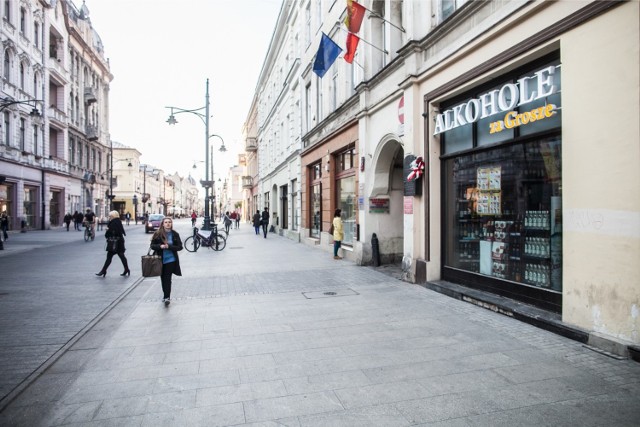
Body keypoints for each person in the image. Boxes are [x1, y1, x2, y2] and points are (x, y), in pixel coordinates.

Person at [150, 217, 183, 306]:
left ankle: (167, 297)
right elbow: (152, 245)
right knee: (162, 278)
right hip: (160, 260)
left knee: (167, 278)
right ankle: (165, 295)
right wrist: (160, 246)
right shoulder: (158, 234)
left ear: (171, 224)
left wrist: (169, 247)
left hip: (171, 260)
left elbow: (180, 247)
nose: (168, 224)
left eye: (169, 222)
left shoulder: (175, 234)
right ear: (163, 224)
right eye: (166, 222)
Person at [95, 210, 130, 277]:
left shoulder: (113, 223)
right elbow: (120, 231)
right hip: (119, 242)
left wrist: (108, 230)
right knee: (121, 257)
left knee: (110, 257)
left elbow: (113, 232)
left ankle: (103, 271)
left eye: (110, 216)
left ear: (113, 216)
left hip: (114, 243)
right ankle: (126, 269)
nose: (109, 217)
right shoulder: (118, 221)